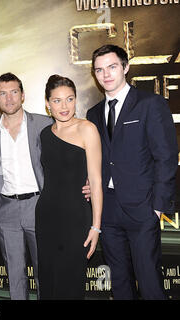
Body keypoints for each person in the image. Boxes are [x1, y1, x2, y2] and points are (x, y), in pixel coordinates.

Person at [87, 44, 177, 300]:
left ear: (125, 67)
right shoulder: (93, 114)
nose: (106, 74)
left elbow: (166, 157)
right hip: (108, 208)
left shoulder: (151, 104)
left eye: (112, 67)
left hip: (143, 208)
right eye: (99, 70)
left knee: (149, 282)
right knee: (120, 281)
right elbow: (98, 159)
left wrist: (157, 207)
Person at [35, 75, 103, 299]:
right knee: (48, 282)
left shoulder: (87, 129)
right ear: (47, 103)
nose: (64, 106)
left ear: (76, 100)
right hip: (46, 217)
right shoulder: (45, 135)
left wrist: (95, 227)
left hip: (76, 220)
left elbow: (95, 180)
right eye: (56, 101)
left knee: (70, 285)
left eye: (69, 99)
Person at [0, 73, 52, 299]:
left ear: (23, 95)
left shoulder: (44, 124)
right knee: (14, 275)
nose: (9, 98)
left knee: (44, 271)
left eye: (14, 92)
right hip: (5, 209)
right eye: (2, 93)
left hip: (38, 206)